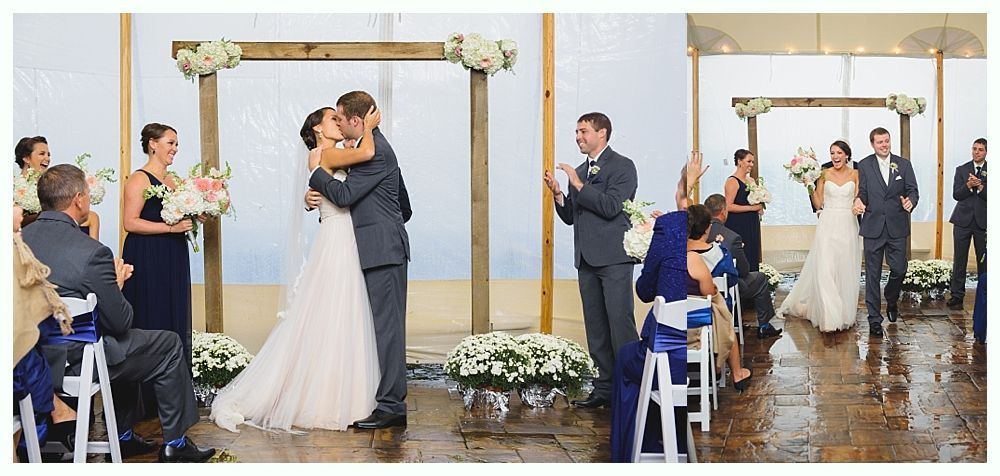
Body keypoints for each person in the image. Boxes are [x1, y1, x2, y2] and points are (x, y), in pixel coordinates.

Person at [21, 164, 215, 462]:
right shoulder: (91, 252)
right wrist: (117, 284)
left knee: (126, 345)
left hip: (25, 357)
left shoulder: (17, 242)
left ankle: (123, 435)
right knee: (166, 344)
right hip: (77, 361)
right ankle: (175, 443)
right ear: (79, 199)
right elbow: (121, 321)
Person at [211, 105, 384, 432]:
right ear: (318, 129)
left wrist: (309, 197)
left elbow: (327, 190)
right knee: (335, 310)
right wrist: (370, 127)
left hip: (345, 234)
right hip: (337, 237)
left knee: (343, 312)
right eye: (333, 118)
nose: (338, 122)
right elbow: (367, 153)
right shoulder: (326, 154)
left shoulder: (334, 152)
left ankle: (347, 394)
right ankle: (329, 398)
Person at [307, 91, 411, 429]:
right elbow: (405, 206)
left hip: (381, 251)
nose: (338, 123)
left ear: (356, 121)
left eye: (340, 118)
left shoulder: (374, 153)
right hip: (376, 247)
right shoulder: (369, 149)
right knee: (378, 327)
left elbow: (344, 194)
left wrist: (315, 174)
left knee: (389, 330)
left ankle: (392, 406)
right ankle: (383, 400)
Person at [543, 112, 638, 409]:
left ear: (602, 133)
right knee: (596, 327)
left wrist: (579, 185)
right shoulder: (581, 171)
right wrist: (560, 194)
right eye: (576, 132)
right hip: (586, 260)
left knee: (620, 325)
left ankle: (630, 388)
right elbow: (572, 216)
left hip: (614, 260)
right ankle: (603, 387)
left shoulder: (623, 166)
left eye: (583, 131)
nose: (578, 137)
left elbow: (612, 207)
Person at [611, 211, 687, 462]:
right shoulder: (687, 228)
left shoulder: (668, 227)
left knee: (626, 358)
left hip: (667, 363)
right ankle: (672, 438)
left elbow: (644, 291)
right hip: (690, 361)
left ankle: (639, 449)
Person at [121, 123, 195, 365]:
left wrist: (197, 213)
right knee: (152, 310)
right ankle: (147, 387)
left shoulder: (174, 180)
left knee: (173, 310)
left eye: (176, 144)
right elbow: (130, 223)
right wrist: (170, 228)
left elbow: (180, 212)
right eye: (170, 143)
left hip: (173, 253)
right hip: (148, 255)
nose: (175, 149)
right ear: (153, 144)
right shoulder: (139, 179)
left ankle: (174, 383)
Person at [12, 204, 77, 462]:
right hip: (17, 377)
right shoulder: (16, 254)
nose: (19, 211)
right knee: (31, 358)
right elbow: (40, 326)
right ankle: (55, 412)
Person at [777, 141, 862, 332]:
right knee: (825, 269)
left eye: (839, 152)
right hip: (828, 223)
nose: (835, 156)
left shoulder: (856, 174)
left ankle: (843, 312)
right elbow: (818, 203)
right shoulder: (824, 174)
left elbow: (859, 199)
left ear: (847, 155)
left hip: (848, 224)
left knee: (844, 269)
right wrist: (808, 184)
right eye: (832, 153)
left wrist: (858, 206)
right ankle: (829, 317)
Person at [853, 127, 920, 337]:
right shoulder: (864, 165)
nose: (884, 145)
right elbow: (863, 191)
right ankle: (874, 319)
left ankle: (891, 298)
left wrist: (911, 202)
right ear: (872, 144)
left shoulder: (903, 164)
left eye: (887, 141)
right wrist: (858, 201)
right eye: (880, 142)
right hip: (873, 227)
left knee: (899, 269)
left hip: (897, 226)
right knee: (872, 276)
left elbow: (913, 191)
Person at [687, 204, 751, 390]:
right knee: (723, 315)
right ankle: (735, 373)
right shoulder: (719, 252)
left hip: (680, 319)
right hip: (709, 315)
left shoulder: (677, 256)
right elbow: (731, 279)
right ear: (708, 228)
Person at [704, 194, 783, 338]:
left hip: (701, 288)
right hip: (728, 288)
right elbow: (743, 270)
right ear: (723, 211)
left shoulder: (698, 234)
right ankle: (764, 326)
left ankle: (735, 320)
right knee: (760, 278)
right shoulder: (732, 237)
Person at [947, 138, 987, 309]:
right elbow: (956, 194)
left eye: (980, 149)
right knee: (960, 259)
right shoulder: (962, 169)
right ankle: (957, 294)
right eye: (974, 149)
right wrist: (969, 185)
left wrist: (982, 188)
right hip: (962, 220)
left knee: (984, 260)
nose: (976, 152)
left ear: (986, 152)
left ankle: (985, 294)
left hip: (983, 222)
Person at [724, 149, 763, 272]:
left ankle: (754, 280)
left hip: (751, 222)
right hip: (738, 223)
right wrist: (752, 208)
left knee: (752, 251)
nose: (751, 164)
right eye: (749, 161)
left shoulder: (750, 181)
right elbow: (728, 206)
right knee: (743, 253)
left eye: (753, 162)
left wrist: (760, 207)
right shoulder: (732, 181)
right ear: (739, 161)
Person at [14, 136, 51, 228]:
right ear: (26, 158)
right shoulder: (13, 186)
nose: (47, 158)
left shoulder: (50, 186)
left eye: (48, 154)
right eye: (42, 154)